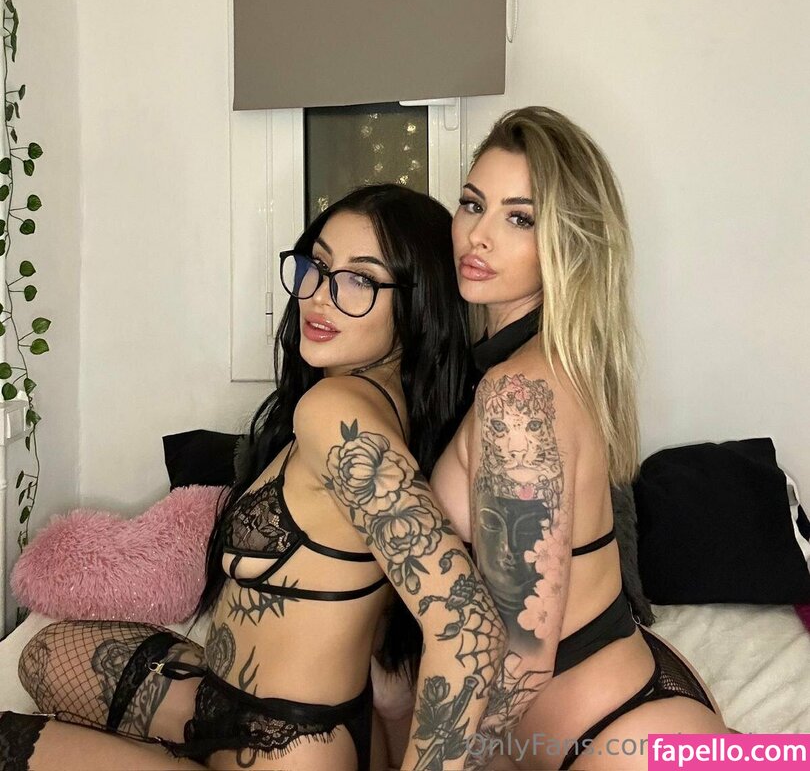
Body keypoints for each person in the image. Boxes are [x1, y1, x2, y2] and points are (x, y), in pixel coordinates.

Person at [5, 184, 505, 771]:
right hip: (228, 701)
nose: (319, 296)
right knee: (45, 654)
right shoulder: (379, 402)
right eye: (318, 266)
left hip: (283, 747)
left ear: (418, 305)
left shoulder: (335, 411)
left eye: (360, 280)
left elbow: (467, 628)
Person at [379, 107, 727, 771]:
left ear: (568, 241)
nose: (478, 235)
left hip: (620, 738)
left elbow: (523, 656)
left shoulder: (517, 394)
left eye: (520, 219)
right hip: (628, 715)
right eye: (472, 204)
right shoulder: (546, 364)